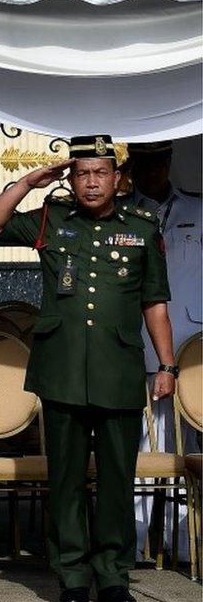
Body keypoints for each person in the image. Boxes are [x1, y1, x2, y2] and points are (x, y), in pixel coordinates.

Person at [0, 135, 177, 602]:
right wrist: (29, 181)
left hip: (118, 371)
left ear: (117, 179)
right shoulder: (51, 219)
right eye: (82, 173)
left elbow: (154, 302)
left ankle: (112, 575)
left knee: (115, 478)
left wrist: (166, 365)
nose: (91, 183)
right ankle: (71, 573)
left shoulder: (143, 227)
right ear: (71, 178)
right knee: (65, 478)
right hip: (62, 370)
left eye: (100, 173)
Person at [123, 142, 202, 559]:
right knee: (142, 446)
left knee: (187, 448)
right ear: (131, 166)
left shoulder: (197, 211)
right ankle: (135, 544)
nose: (152, 170)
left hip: (190, 344)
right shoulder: (119, 213)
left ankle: (183, 542)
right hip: (137, 341)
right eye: (144, 163)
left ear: (170, 162)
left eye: (159, 161)